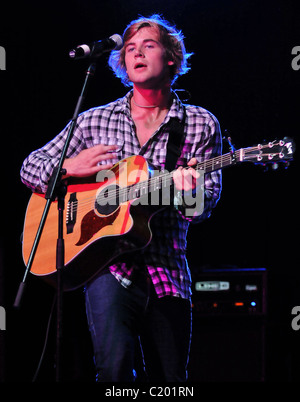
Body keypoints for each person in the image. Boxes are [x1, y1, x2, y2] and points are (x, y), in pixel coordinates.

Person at [20, 14, 222, 382]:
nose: (137, 53)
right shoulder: (93, 121)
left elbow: (203, 204)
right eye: (130, 49)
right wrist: (70, 167)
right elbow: (30, 166)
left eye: (149, 45)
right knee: (113, 372)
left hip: (168, 270)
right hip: (107, 268)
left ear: (172, 58)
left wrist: (191, 193)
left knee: (172, 378)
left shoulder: (199, 123)